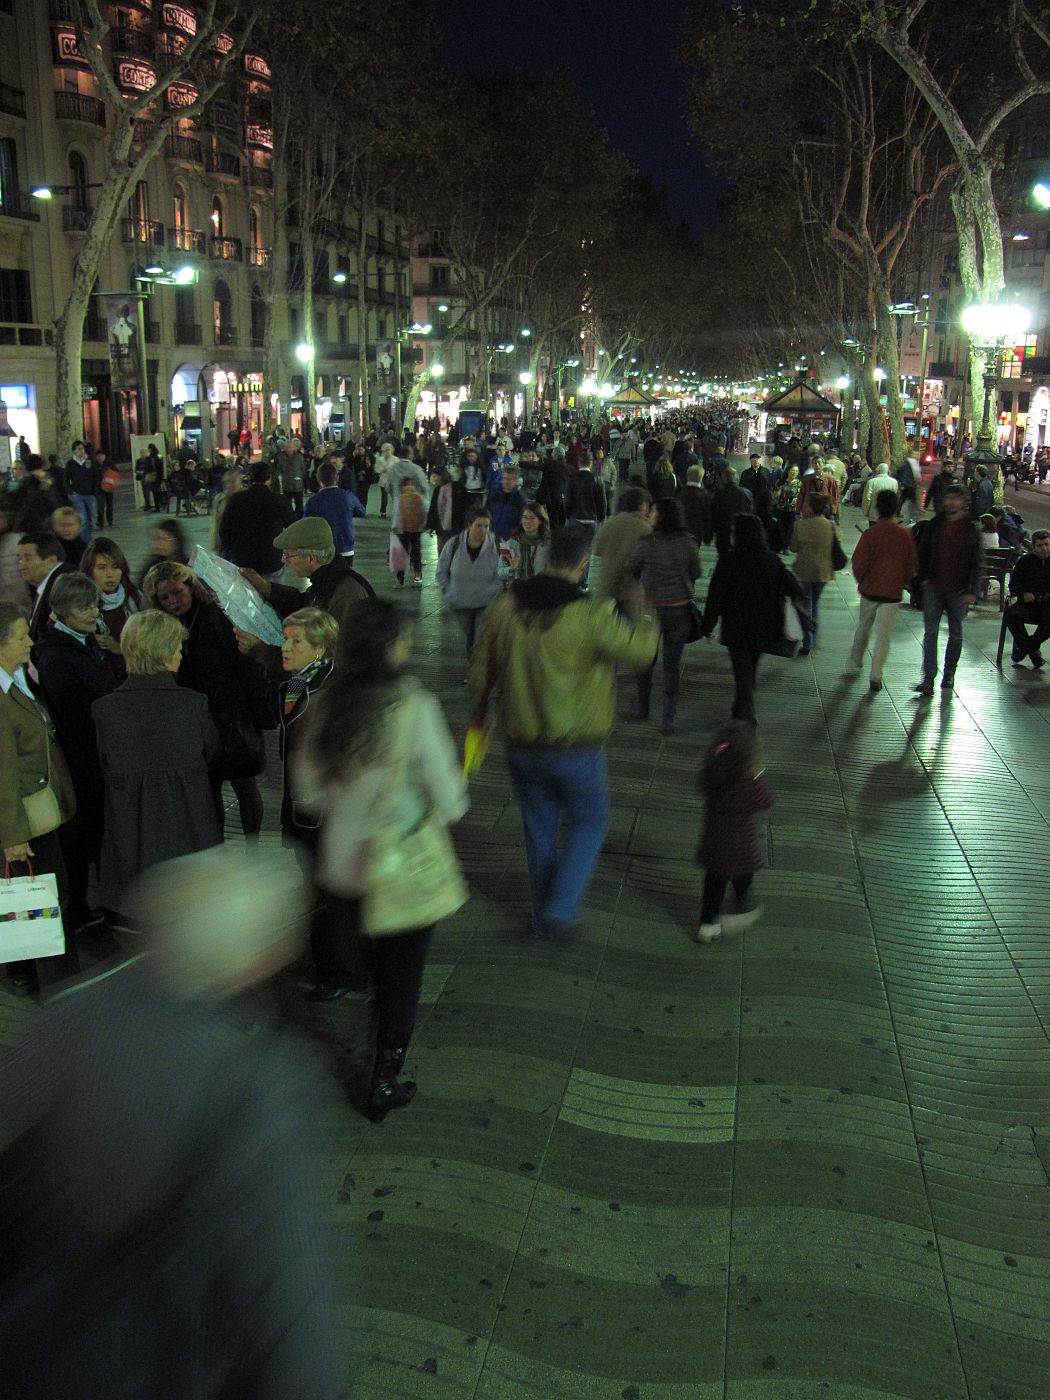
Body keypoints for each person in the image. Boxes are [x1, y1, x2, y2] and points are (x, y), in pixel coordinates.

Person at [294, 601, 468, 1119]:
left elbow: (308, 794)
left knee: (370, 963)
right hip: (402, 869)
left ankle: (372, 1030)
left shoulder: (325, 705)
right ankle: (384, 1078)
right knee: (403, 974)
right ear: (391, 648)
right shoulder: (414, 708)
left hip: (345, 868)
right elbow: (452, 800)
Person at [469, 524, 658, 940]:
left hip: (521, 742)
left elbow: (481, 666)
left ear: (547, 559)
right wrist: (641, 613)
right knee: (590, 821)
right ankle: (561, 906)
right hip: (576, 747)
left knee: (538, 830)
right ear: (582, 565)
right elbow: (640, 655)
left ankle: (543, 918)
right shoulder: (590, 614)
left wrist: (479, 712)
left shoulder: (506, 605)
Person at [91, 611, 221, 921]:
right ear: (162, 652)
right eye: (176, 646)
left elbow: (103, 763)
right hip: (189, 826)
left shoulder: (104, 709)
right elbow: (210, 752)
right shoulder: (193, 704)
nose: (180, 653)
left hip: (131, 835)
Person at [144, 560, 267, 838]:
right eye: (165, 597)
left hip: (230, 716)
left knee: (243, 785)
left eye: (178, 592)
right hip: (198, 721)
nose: (173, 601)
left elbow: (243, 665)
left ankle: (252, 848)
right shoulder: (169, 625)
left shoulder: (215, 617)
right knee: (209, 790)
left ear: (191, 587)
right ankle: (217, 844)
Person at [30, 573, 117, 931]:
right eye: (85, 606)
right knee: (82, 835)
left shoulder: (84, 642)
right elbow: (78, 718)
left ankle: (91, 902)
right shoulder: (58, 657)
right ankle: (80, 907)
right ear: (63, 612)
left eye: (95, 603)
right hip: (82, 761)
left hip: (93, 756)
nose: (94, 611)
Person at [0, 602, 78, 996]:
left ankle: (36, 975)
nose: (29, 641)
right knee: (42, 904)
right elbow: (2, 771)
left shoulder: (14, 680)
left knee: (39, 902)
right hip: (24, 824)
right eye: (20, 636)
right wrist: (12, 836)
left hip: (33, 815)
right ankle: (57, 986)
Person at [275, 608, 345, 1000]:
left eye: (296, 641)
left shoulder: (328, 690)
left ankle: (336, 970)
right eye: (285, 638)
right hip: (301, 808)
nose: (285, 647)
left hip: (324, 811)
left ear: (320, 648)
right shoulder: (296, 684)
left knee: (327, 890)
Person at [702, 513, 805, 726]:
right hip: (765, 628)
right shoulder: (771, 560)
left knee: (742, 671)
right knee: (749, 668)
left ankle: (746, 717)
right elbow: (793, 587)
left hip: (736, 628)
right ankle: (740, 707)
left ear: (738, 535)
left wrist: (707, 625)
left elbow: (715, 596)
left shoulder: (729, 561)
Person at [241, 519, 374, 662]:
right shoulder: (328, 580)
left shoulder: (347, 594)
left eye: (288, 555)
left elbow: (325, 659)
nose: (283, 560)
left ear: (311, 558)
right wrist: (266, 588)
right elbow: (305, 605)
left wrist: (263, 651)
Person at [695, 721, 774, 944]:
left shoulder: (711, 775)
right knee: (743, 877)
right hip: (740, 849)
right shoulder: (749, 785)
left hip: (713, 844)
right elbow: (767, 801)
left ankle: (707, 926)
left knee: (713, 886)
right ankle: (739, 908)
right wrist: (758, 775)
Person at [626, 496, 700, 734]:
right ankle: (668, 717)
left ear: (662, 516)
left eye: (654, 512)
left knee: (646, 660)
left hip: (651, 610)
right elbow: (696, 572)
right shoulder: (689, 543)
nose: (649, 516)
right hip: (678, 611)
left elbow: (630, 568)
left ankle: (643, 707)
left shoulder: (647, 543)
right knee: (671, 665)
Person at [913, 484, 982, 695]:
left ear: (964, 502)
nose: (952, 502)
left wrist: (972, 590)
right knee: (930, 634)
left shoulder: (970, 529)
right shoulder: (935, 525)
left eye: (956, 499)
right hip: (934, 586)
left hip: (958, 590)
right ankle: (928, 677)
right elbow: (923, 552)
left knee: (956, 634)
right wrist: (923, 578)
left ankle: (949, 673)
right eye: (948, 498)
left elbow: (977, 562)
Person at [848, 488, 918, 692]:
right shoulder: (903, 535)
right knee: (884, 634)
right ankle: (876, 675)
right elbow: (910, 563)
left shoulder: (871, 533)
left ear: (878, 509)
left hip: (870, 588)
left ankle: (855, 662)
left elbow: (858, 562)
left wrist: (862, 581)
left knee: (863, 627)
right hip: (892, 591)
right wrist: (901, 581)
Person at [436, 507, 502, 658]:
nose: (483, 530)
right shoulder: (454, 544)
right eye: (478, 525)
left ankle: (476, 669)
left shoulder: (497, 544)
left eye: (486, 526)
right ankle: (473, 666)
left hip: (486, 602)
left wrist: (497, 590)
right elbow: (441, 571)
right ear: (469, 525)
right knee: (468, 637)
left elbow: (504, 572)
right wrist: (448, 590)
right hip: (460, 602)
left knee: (480, 638)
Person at [80, 537, 144, 679]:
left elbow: (151, 643)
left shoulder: (134, 598)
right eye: (102, 568)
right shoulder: (80, 603)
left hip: (134, 674)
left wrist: (120, 649)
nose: (110, 574)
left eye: (115, 567)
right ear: (89, 571)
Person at [217, 462, 292, 578]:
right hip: (271, 560)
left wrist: (234, 549)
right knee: (273, 593)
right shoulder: (278, 500)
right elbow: (292, 527)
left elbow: (224, 530)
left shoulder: (236, 499)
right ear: (269, 478)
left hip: (243, 560)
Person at [789, 492, 835, 655]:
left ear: (812, 507)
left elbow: (793, 547)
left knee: (805, 605)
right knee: (814, 604)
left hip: (804, 570)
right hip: (823, 572)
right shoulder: (830, 525)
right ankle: (813, 637)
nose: (803, 507)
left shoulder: (800, 525)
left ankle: (807, 640)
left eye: (806, 504)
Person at [17, 532, 75, 641]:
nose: (21, 565)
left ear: (51, 560)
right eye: (19, 559)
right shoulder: (48, 585)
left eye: (28, 558)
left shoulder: (65, 587)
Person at [304, 461, 367, 560]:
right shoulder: (348, 496)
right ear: (337, 478)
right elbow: (362, 512)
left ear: (318, 478)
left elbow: (307, 525)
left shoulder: (312, 502)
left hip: (323, 548)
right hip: (346, 547)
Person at [1005, 529, 1050, 667]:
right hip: (1027, 605)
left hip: (1047, 606)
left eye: (1047, 544)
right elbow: (1013, 583)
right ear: (1034, 546)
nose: (1044, 549)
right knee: (1011, 615)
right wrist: (1024, 593)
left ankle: (1024, 650)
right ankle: (1032, 652)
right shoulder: (1025, 561)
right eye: (1040, 545)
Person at [425, 465, 468, 556]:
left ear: (442, 476)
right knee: (442, 552)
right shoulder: (437, 490)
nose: (433, 478)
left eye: (435, 476)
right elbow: (433, 508)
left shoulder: (457, 487)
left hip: (456, 526)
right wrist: (430, 526)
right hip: (441, 527)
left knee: (455, 552)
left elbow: (464, 506)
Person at [135, 517, 189, 588]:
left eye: (162, 539)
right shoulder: (152, 567)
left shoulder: (188, 566)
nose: (157, 544)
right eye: (155, 539)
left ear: (175, 540)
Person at [394, 476, 427, 585]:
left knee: (416, 552)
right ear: (403, 488)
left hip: (416, 529)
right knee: (401, 553)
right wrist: (395, 527)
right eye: (406, 485)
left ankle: (418, 573)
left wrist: (424, 524)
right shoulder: (400, 498)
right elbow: (397, 514)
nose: (409, 487)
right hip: (403, 529)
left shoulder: (419, 498)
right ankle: (400, 577)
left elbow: (424, 511)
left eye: (411, 485)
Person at [507, 503, 551, 581]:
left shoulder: (547, 544)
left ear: (540, 521)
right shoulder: (512, 542)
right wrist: (510, 570)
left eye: (532, 518)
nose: (527, 521)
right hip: (518, 587)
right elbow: (500, 572)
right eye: (525, 517)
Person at [64, 440, 97, 541]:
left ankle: (89, 537)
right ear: (74, 451)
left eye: (82, 448)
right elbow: (65, 479)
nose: (81, 451)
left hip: (90, 493)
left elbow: (96, 475)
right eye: (78, 449)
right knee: (83, 519)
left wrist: (95, 490)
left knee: (92, 518)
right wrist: (70, 491)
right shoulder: (70, 463)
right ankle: (84, 541)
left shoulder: (90, 461)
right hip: (77, 494)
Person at [487, 464, 527, 543]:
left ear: (515, 481)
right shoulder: (494, 495)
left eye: (509, 479)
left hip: (509, 541)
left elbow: (522, 523)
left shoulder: (520, 501)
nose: (505, 481)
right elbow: (486, 513)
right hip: (491, 538)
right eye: (504, 478)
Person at [210, 467, 245, 553]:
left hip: (242, 546)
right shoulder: (219, 499)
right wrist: (215, 544)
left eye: (232, 482)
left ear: (239, 482)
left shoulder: (246, 499)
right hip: (224, 546)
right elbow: (215, 523)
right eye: (226, 482)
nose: (229, 485)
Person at [277, 435, 308, 517]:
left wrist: (303, 481)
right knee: (287, 505)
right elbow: (279, 469)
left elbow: (303, 469)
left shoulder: (299, 457)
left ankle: (298, 518)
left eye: (290, 447)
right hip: (287, 485)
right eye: (287, 447)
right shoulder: (281, 457)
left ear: (294, 447)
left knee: (299, 505)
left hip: (298, 485)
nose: (288, 449)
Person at [94, 448, 117, 528]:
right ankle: (100, 522)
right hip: (99, 489)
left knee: (109, 505)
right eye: (98, 455)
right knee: (100, 506)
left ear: (105, 456)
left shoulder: (109, 464)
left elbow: (116, 473)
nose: (100, 457)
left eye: (102, 455)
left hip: (109, 488)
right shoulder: (94, 465)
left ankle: (110, 520)